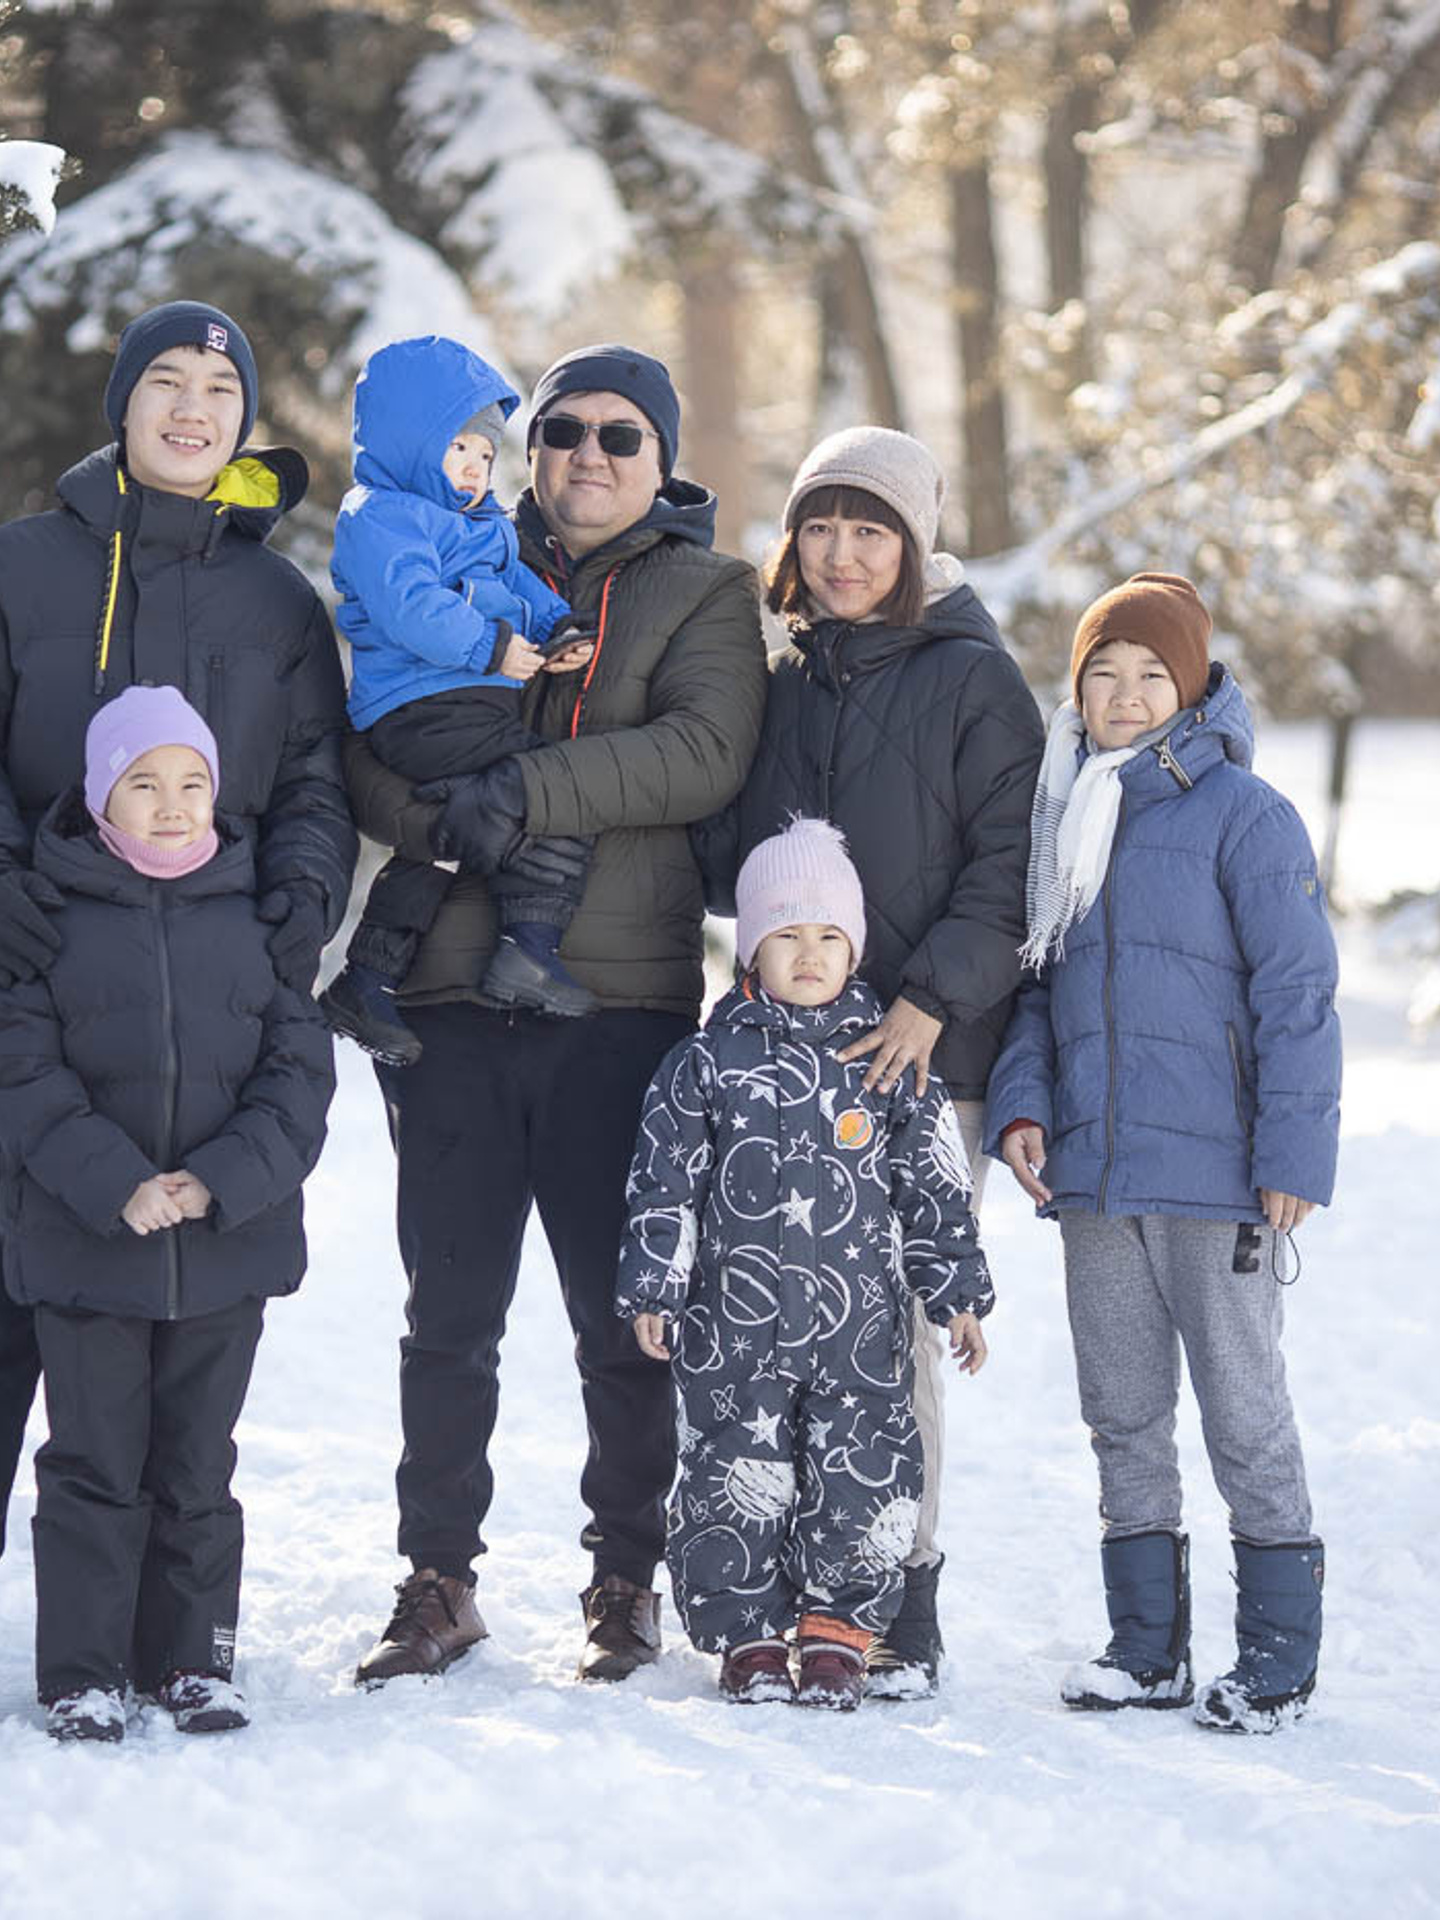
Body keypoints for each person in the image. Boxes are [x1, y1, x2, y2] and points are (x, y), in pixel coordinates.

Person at [0, 301, 356, 1731]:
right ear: (124, 403)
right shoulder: (10, 570)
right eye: (168, 384)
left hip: (219, 1006)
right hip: (42, 1000)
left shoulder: (276, 604)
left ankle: (164, 1635)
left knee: (192, 1352)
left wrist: (300, 908)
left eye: (221, 389)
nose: (194, 409)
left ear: (246, 421)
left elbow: (315, 774)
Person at [341, 344, 768, 1687]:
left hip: (619, 1005)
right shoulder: (444, 542)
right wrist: (435, 821)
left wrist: (520, 794)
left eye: (621, 438)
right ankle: (438, 1579)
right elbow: (359, 733)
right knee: (449, 1310)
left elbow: (703, 754)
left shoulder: (704, 591)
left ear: (662, 461)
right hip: (452, 998)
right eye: (564, 430)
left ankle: (625, 1576)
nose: (588, 455)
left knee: (619, 1316)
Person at [698, 425, 1044, 1698]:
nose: (842, 556)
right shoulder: (785, 668)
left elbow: (1012, 869)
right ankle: (801, 1597)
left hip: (916, 1064)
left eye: (871, 530)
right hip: (787, 1058)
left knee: (889, 1346)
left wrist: (930, 1006)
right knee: (778, 1340)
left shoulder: (974, 678)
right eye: (822, 528)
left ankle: (903, 1597)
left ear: (915, 542)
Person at [985, 572, 1339, 1734]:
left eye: (1151, 676)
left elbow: (1298, 996)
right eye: (1104, 674)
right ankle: (1147, 1650)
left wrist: (1292, 1153)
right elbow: (1035, 992)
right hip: (1096, 1178)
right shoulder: (1065, 813)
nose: (1126, 697)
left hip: (1221, 1177)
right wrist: (1025, 1108)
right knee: (1122, 1412)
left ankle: (1279, 1658)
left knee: (1244, 1413)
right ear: (1077, 690)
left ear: (1189, 689)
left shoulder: (1247, 815)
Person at [0, 685, 333, 1742]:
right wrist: (114, 1179)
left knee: (196, 1470)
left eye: (192, 783)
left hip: (224, 1247)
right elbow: (15, 1066)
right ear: (99, 795)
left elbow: (297, 1075)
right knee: (93, 1467)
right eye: (144, 783)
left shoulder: (260, 913)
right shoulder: (45, 915)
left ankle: (194, 1659)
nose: (172, 806)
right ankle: (82, 1672)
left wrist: (217, 1177)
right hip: (89, 1249)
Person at [618, 818, 992, 1708]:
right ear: (753, 947)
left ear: (855, 946)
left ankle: (838, 1631)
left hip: (859, 1336)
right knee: (730, 1477)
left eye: (828, 935)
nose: (810, 953)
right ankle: (747, 1634)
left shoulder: (892, 1066)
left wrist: (958, 1295)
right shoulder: (704, 1063)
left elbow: (933, 1189)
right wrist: (655, 1284)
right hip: (732, 1331)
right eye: (787, 935)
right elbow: (664, 1181)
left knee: (859, 1479)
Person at [319, 334, 600, 1067]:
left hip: (467, 704)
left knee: (445, 839)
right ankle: (527, 949)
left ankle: (369, 978)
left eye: (484, 454)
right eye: (459, 451)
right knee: (547, 788)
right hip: (418, 707)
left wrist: (557, 629)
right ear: (413, 443)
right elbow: (410, 606)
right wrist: (489, 647)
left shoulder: (482, 527)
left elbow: (524, 591)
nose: (476, 471)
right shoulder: (380, 516)